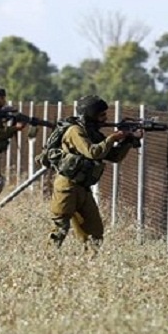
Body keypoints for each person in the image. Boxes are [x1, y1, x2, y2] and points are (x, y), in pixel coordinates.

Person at [47, 94, 143, 256]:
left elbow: (114, 156)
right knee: (60, 229)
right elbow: (93, 152)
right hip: (67, 187)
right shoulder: (75, 131)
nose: (105, 118)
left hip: (83, 189)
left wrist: (127, 140)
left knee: (94, 233)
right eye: (102, 115)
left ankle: (89, 265)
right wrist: (114, 137)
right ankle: (46, 261)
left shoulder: (92, 132)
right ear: (90, 115)